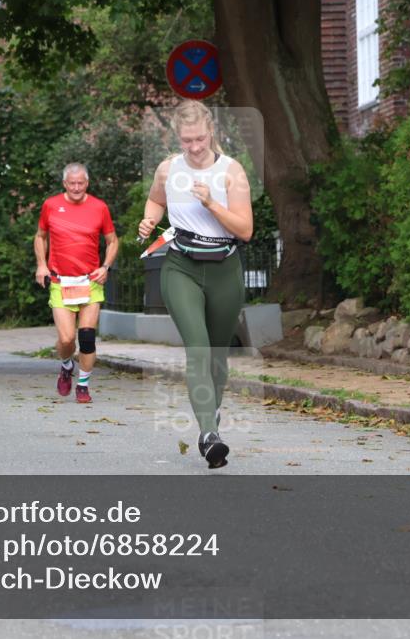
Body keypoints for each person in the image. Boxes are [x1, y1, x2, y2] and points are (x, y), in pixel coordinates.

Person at [137, 100, 253, 469]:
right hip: (180, 267)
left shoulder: (231, 172)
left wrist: (211, 204)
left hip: (224, 269)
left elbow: (245, 230)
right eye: (186, 140)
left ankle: (210, 415)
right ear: (178, 137)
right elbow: (155, 201)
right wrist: (148, 220)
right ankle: (209, 434)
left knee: (217, 354)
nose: (194, 147)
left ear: (211, 132)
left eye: (200, 138)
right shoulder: (168, 169)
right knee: (198, 348)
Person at [35, 163, 119, 404]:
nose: (76, 187)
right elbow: (40, 237)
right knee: (65, 340)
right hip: (61, 282)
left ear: (87, 183)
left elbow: (112, 241)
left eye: (80, 183)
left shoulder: (99, 207)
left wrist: (105, 267)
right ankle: (65, 365)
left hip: (90, 281)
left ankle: (83, 384)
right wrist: (42, 265)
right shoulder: (51, 205)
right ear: (64, 184)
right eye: (71, 183)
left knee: (87, 338)